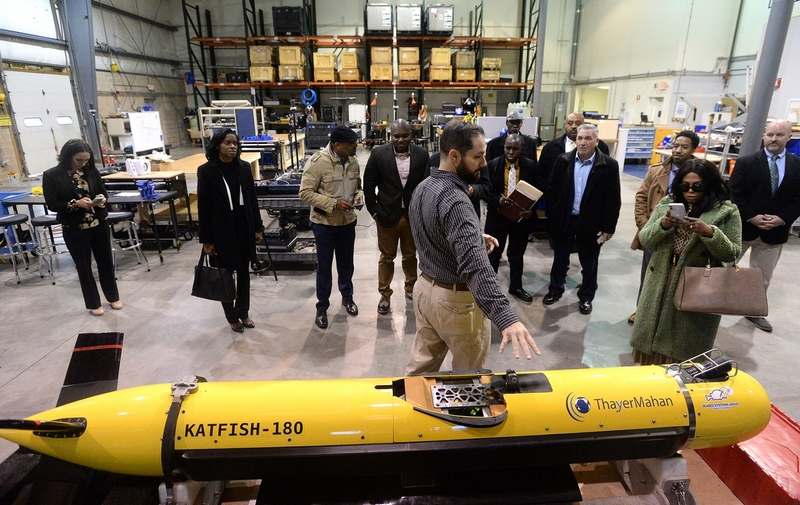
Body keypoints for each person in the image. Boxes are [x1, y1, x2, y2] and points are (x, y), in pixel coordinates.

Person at [407, 120, 541, 374]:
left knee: (421, 369)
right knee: (468, 376)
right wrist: (506, 317)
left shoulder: (423, 188)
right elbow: (476, 267)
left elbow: (432, 231)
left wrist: (474, 237)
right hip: (455, 302)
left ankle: (408, 411)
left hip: (425, 291)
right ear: (455, 156)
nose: (483, 164)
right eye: (477, 156)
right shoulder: (457, 201)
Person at [632, 159, 742, 363]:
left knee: (683, 346)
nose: (690, 190)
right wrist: (664, 224)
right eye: (685, 185)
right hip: (661, 280)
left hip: (697, 284)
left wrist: (709, 232)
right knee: (651, 340)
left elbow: (733, 252)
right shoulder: (668, 204)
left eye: (697, 186)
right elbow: (646, 238)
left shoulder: (726, 211)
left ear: (709, 184)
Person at [730, 120, 800, 333]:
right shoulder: (746, 163)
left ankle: (753, 311)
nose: (773, 139)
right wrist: (751, 216)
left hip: (775, 232)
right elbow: (734, 194)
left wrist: (783, 218)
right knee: (722, 267)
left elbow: (798, 198)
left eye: (779, 135)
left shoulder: (797, 165)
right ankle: (708, 304)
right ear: (764, 135)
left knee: (761, 277)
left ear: (789, 137)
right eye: (770, 134)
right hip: (743, 228)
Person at [543, 124, 620, 314]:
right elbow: (551, 191)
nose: (583, 142)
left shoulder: (608, 165)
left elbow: (613, 198)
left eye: (588, 138)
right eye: (580, 138)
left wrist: (609, 227)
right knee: (560, 258)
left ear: (596, 141)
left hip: (591, 224)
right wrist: (553, 217)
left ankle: (586, 297)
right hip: (565, 221)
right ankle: (555, 289)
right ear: (575, 140)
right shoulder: (563, 161)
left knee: (590, 263)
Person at [43, 139, 121, 316]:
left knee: (106, 262)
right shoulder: (52, 175)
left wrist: (101, 201)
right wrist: (75, 203)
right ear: (67, 157)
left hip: (98, 224)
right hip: (75, 228)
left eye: (86, 160)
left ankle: (113, 296)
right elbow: (53, 204)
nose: (83, 163)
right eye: (79, 160)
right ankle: (94, 303)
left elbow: (103, 192)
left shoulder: (91, 171)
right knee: (84, 267)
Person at [629, 129, 700, 324]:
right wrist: (645, 226)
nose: (677, 150)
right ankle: (642, 311)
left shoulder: (701, 173)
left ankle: (668, 317)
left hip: (685, 234)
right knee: (649, 276)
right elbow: (641, 197)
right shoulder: (656, 170)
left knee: (676, 277)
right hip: (656, 232)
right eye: (675, 146)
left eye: (684, 147)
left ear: (694, 149)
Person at [197, 129, 264, 333]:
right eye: (228, 143)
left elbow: (252, 200)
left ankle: (243, 312)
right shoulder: (206, 171)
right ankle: (231, 316)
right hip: (221, 232)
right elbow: (204, 207)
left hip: (243, 228)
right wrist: (207, 239)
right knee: (225, 275)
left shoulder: (244, 168)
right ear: (217, 145)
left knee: (244, 273)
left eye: (235, 143)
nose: (233, 146)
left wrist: (258, 227)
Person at [363, 119, 430, 314]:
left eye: (404, 135)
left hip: (411, 217)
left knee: (411, 256)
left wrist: (421, 213)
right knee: (386, 257)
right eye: (396, 136)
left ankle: (411, 289)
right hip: (386, 216)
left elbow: (427, 186)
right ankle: (384, 294)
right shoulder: (378, 154)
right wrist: (375, 212)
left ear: (412, 135)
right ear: (390, 136)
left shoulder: (422, 155)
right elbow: (368, 187)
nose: (400, 140)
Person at [299, 126, 362, 329]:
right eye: (351, 145)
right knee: (324, 268)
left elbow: (357, 186)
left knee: (346, 265)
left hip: (347, 223)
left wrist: (359, 196)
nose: (355, 147)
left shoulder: (353, 161)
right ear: (337, 145)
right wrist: (333, 203)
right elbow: (305, 193)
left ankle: (348, 298)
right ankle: (322, 307)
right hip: (324, 225)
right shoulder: (317, 162)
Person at [485, 134, 544, 302]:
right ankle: (490, 289)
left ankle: (516, 287)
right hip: (498, 217)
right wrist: (498, 200)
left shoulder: (532, 167)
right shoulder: (492, 165)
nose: (510, 151)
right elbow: (486, 190)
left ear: (522, 149)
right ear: (503, 147)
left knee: (517, 254)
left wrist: (531, 211)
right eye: (507, 148)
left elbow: (539, 191)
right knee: (494, 253)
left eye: (515, 148)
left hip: (521, 219)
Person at [539, 112, 610, 188]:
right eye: (570, 123)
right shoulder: (550, 148)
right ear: (564, 125)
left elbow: (606, 179)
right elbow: (541, 175)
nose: (574, 126)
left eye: (578, 123)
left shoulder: (601, 147)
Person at [428, 151, 489, 216]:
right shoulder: (434, 159)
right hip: (440, 214)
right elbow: (428, 185)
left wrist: (473, 189)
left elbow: (486, 186)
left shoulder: (476, 158)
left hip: (468, 213)